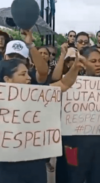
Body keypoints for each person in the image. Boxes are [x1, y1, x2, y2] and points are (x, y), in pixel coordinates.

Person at [0, 52, 85, 183]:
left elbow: (64, 85)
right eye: (23, 74)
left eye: (28, 73)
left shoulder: (37, 94)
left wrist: (74, 69)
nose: (29, 78)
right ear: (7, 79)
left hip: (34, 161)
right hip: (6, 166)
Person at [65, 46, 100, 183]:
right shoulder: (71, 83)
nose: (98, 64)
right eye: (93, 61)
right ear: (84, 64)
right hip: (76, 145)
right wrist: (66, 144)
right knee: (75, 178)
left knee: (98, 179)